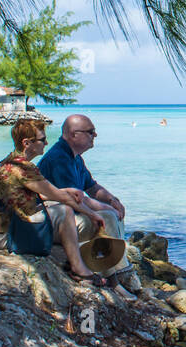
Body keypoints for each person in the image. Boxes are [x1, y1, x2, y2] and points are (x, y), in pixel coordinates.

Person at [0, 119, 110, 286]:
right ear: (27, 143)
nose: (46, 143)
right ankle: (79, 269)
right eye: (42, 140)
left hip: (0, 230)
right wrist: (93, 214)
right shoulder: (23, 169)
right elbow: (60, 197)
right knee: (64, 211)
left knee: (60, 208)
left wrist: (66, 192)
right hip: (3, 236)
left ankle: (79, 260)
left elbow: (35, 195)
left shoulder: (11, 163)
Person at [36, 114, 133, 281]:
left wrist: (112, 200)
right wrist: (106, 208)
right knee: (109, 216)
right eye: (91, 132)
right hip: (56, 222)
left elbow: (92, 187)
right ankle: (120, 275)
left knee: (114, 212)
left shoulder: (75, 158)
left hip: (69, 216)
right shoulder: (59, 158)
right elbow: (76, 198)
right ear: (74, 134)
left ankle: (116, 267)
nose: (95, 135)